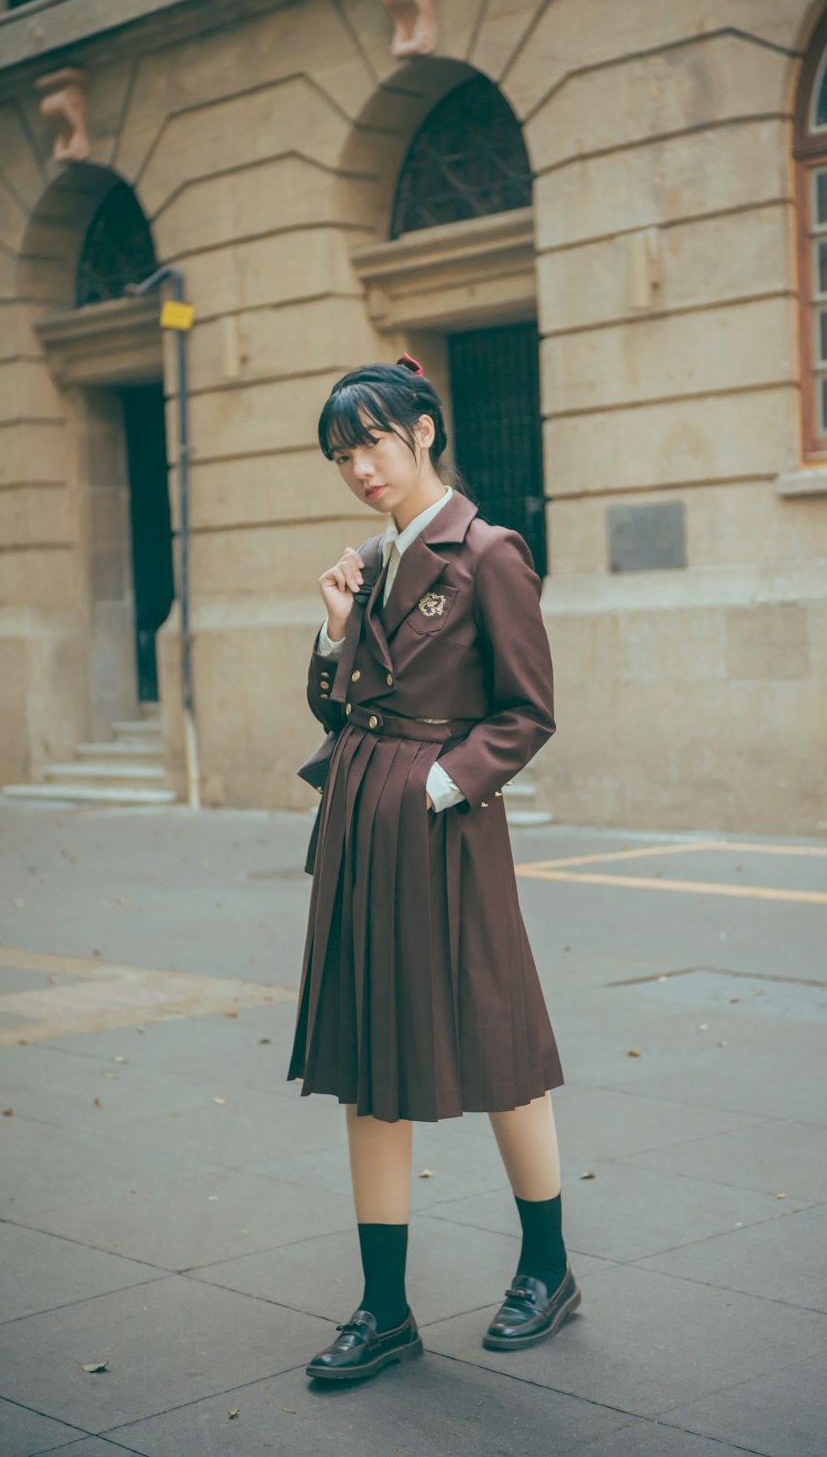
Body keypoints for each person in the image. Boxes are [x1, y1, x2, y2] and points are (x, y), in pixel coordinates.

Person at [287, 355, 579, 1382]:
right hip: (364, 825)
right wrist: (330, 633)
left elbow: (527, 711)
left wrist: (436, 789)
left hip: (443, 825)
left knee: (496, 1037)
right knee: (368, 1061)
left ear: (421, 429)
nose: (358, 467)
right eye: (340, 454)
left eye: (370, 441)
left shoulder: (488, 551)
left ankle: (547, 1267)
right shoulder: (368, 560)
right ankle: (383, 1309)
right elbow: (338, 710)